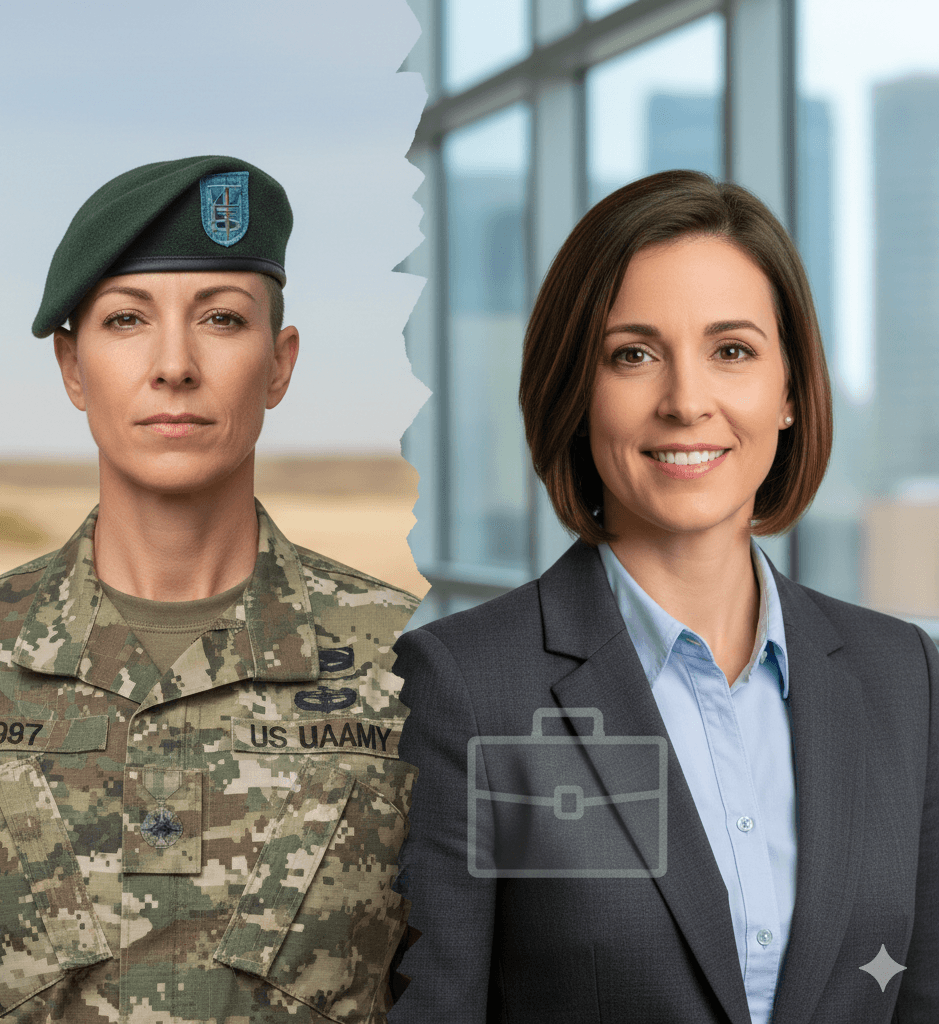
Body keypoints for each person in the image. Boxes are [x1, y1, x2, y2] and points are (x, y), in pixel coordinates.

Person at [390, 169, 938, 1024]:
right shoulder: (467, 688)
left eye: (732, 351)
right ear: (578, 393)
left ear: (788, 391)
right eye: (633, 355)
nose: (687, 402)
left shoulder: (904, 677)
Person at [0, 155, 419, 1024]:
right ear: (73, 368)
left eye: (222, 319)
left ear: (278, 364)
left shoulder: (415, 668)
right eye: (126, 321)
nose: (174, 365)